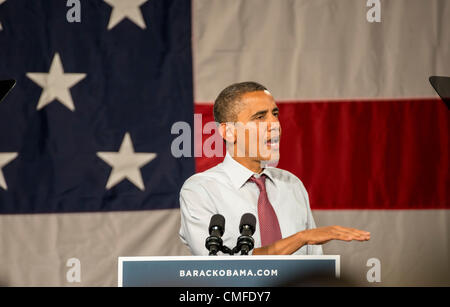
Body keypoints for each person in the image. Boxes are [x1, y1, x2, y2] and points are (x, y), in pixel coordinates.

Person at [179, 81, 370, 256]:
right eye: (260, 117)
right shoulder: (200, 189)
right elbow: (223, 266)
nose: (275, 125)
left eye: (275, 114)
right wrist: (300, 238)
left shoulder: (292, 184)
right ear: (229, 132)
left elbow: (313, 263)